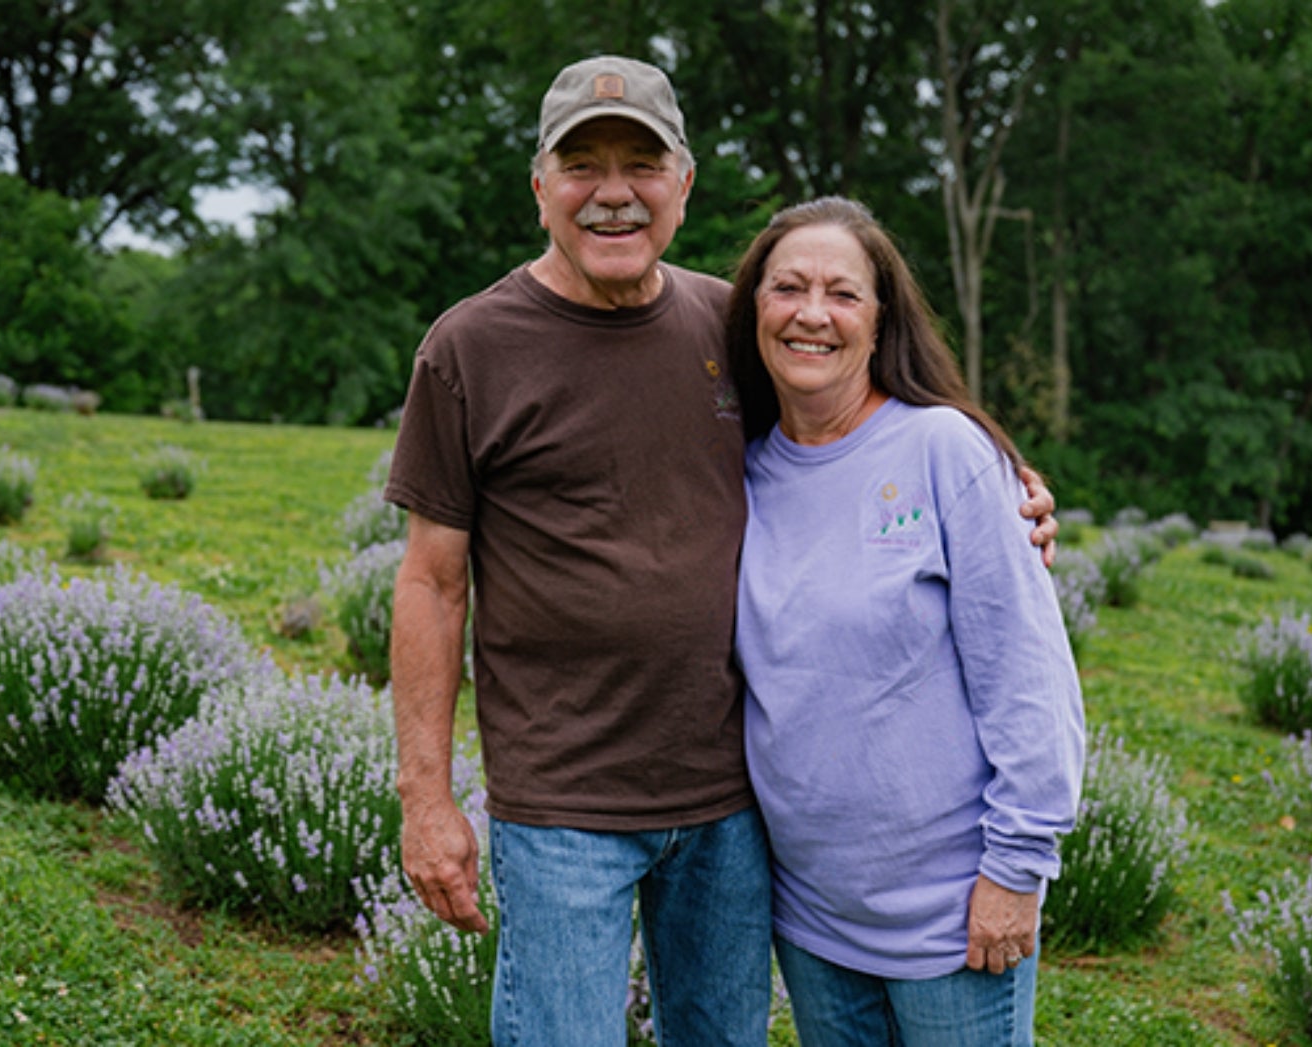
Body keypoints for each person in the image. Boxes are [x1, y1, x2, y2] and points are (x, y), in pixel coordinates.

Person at [385, 57, 1058, 1046]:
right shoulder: (469, 347)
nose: (612, 193)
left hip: (728, 804)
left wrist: (1005, 492)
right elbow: (431, 582)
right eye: (581, 165)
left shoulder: (731, 323)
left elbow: (856, 415)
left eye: (640, 165)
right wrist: (425, 796)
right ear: (539, 186)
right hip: (563, 800)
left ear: (682, 185)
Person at [725, 196, 1086, 1047]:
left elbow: (1029, 679)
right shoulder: (740, 472)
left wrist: (1016, 870)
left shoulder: (944, 450)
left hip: (952, 915)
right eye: (788, 288)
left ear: (881, 320)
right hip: (813, 918)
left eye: (843, 294)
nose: (813, 314)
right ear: (753, 310)